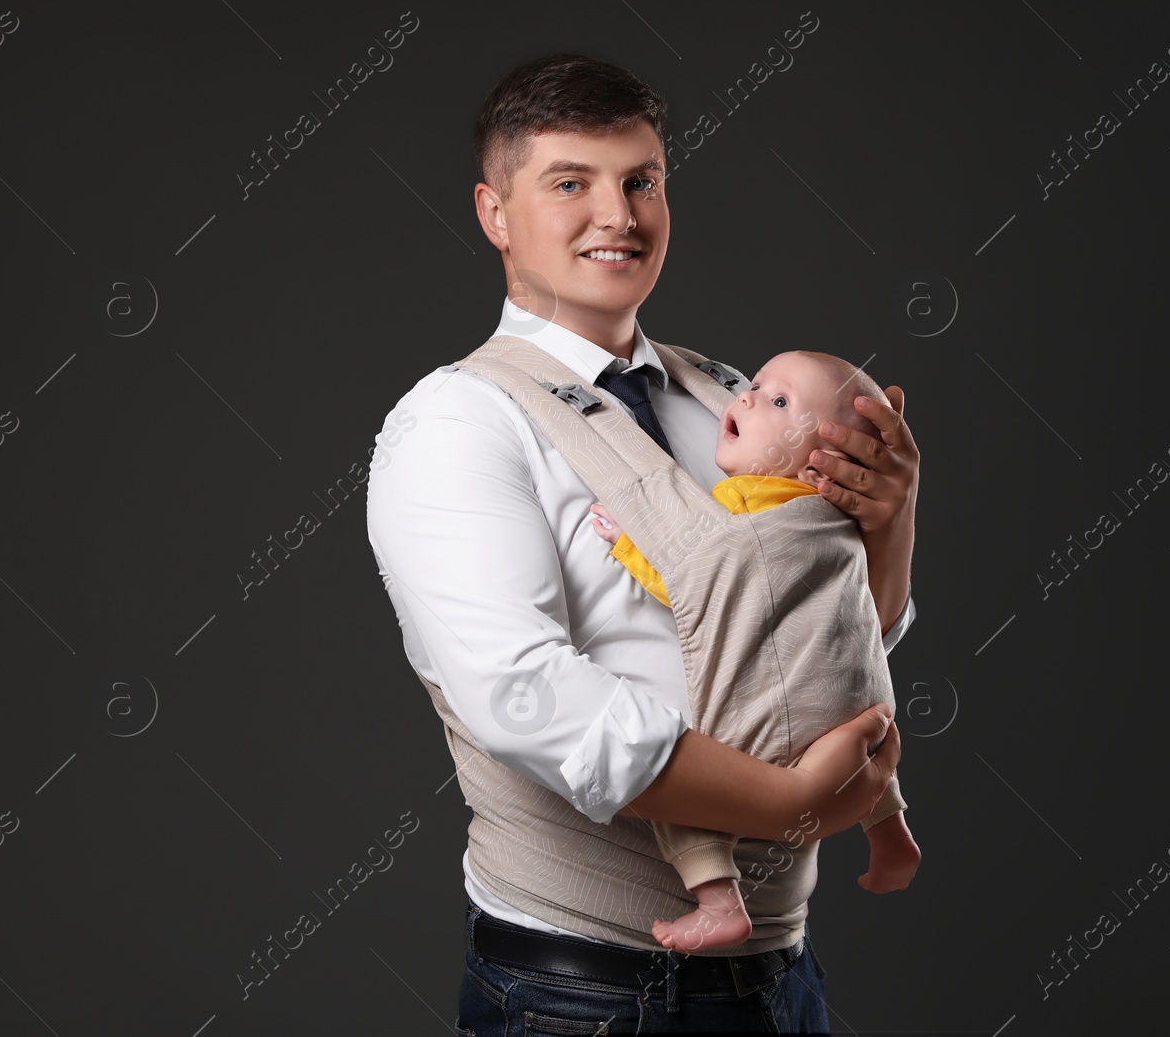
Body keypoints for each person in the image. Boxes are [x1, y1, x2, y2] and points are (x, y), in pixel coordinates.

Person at [365, 54, 920, 1032]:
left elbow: (818, 644)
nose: (616, 214)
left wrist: (891, 520)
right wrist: (795, 801)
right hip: (587, 990)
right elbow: (528, 697)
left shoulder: (736, 394)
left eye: (641, 180)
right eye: (570, 183)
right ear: (496, 214)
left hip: (780, 976)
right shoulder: (455, 421)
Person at [588, 349, 921, 953]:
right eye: (759, 384)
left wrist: (626, 544)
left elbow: (695, 579)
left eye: (778, 401)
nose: (744, 397)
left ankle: (719, 901)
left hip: (770, 723)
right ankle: (892, 831)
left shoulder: (746, 500)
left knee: (682, 791)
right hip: (859, 707)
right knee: (871, 752)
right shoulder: (840, 522)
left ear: (826, 460)